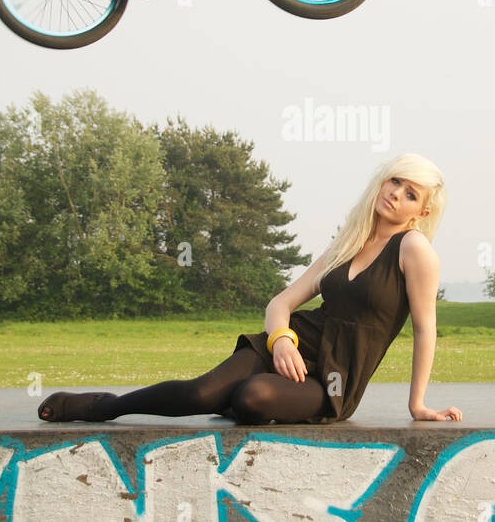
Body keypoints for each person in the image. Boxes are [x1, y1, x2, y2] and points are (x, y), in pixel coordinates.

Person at [37, 155, 463, 426]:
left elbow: (426, 330)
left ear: (420, 212)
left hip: (335, 378)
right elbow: (282, 302)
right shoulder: (349, 241)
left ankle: (248, 396)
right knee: (201, 392)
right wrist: (281, 341)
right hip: (296, 344)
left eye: (410, 194)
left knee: (252, 397)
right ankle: (104, 407)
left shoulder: (414, 250)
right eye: (395, 182)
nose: (395, 194)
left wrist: (418, 405)